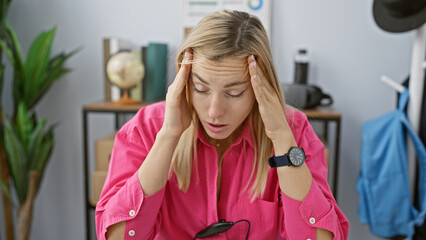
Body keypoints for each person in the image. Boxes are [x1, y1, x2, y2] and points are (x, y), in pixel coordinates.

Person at [95, 10, 349, 240]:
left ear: (261, 87)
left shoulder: (293, 130)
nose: (214, 111)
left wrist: (282, 138)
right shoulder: (145, 128)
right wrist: (169, 136)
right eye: (200, 88)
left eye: (235, 93)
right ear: (184, 82)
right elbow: (119, 237)